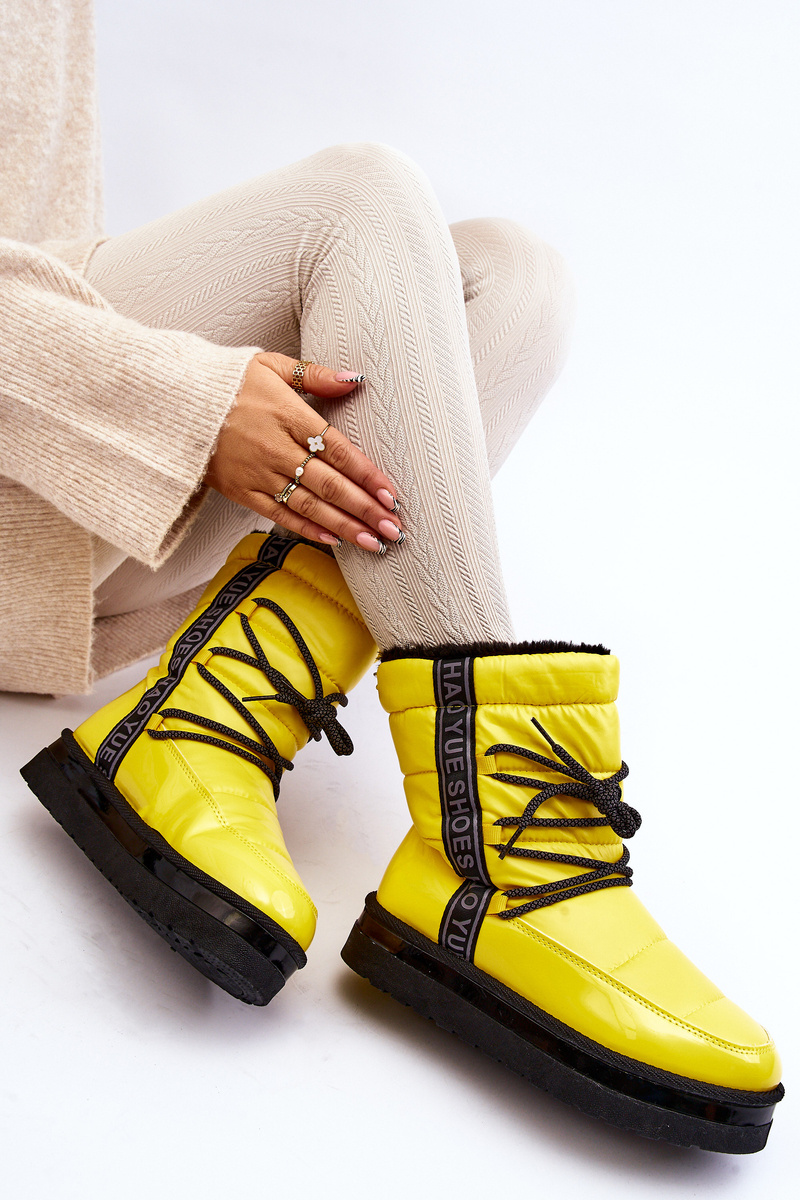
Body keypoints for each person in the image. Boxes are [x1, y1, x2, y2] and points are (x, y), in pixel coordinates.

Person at [2, 0, 782, 1156]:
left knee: (513, 279)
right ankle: (504, 855)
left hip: (60, 448)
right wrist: (169, 398)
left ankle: (207, 716)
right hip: (41, 438)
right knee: (356, 198)